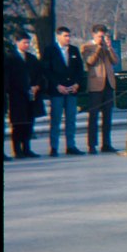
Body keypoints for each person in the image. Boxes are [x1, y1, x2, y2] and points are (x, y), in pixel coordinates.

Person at [41, 26, 86, 157]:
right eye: (65, 36)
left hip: (72, 89)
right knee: (56, 119)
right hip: (57, 91)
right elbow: (47, 70)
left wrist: (77, 83)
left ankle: (71, 146)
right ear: (58, 36)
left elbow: (79, 69)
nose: (68, 38)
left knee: (71, 119)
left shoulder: (74, 50)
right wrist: (57, 85)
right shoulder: (50, 50)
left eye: (69, 36)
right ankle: (54, 147)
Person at [4, 31, 45, 158]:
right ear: (17, 43)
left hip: (31, 96)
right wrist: (20, 89)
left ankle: (27, 148)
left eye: (28, 42)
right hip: (17, 96)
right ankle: (17, 149)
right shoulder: (10, 58)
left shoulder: (32, 58)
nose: (27, 45)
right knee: (18, 123)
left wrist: (37, 86)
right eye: (24, 42)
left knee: (29, 122)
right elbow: (9, 78)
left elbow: (40, 75)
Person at [81, 24, 119, 154]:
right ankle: (92, 144)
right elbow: (90, 62)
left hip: (108, 84)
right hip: (95, 85)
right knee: (93, 116)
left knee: (107, 116)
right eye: (99, 36)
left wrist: (109, 48)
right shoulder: (87, 47)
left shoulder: (106, 47)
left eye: (103, 36)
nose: (101, 38)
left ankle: (106, 143)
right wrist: (98, 47)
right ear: (93, 35)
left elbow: (115, 61)